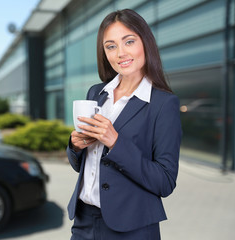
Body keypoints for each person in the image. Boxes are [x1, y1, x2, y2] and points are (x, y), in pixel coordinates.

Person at [67, 9, 182, 240]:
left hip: (132, 228)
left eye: (129, 41)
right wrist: (75, 146)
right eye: (111, 46)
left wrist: (116, 142)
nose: (120, 53)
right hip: (84, 222)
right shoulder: (96, 93)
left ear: (145, 43)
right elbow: (82, 166)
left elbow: (165, 182)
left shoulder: (163, 104)